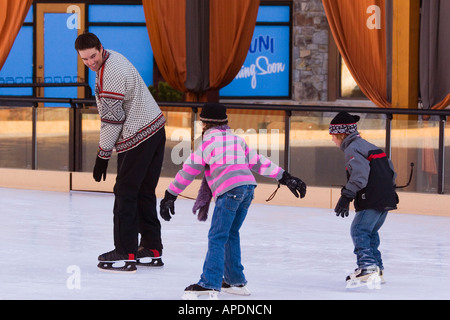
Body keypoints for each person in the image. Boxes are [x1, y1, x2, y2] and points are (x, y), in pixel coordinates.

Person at [159, 103, 307, 299]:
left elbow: (188, 170)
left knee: (217, 236)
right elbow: (258, 161)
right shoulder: (236, 140)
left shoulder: (206, 144)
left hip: (230, 191)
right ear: (225, 123)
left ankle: (210, 283)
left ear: (204, 123)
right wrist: (285, 177)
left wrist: (170, 194)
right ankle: (235, 281)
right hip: (247, 189)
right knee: (230, 234)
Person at [75, 32, 166, 273]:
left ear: (100, 48)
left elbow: (112, 121)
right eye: (84, 60)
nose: (90, 63)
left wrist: (102, 156)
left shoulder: (110, 74)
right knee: (143, 191)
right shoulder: (113, 57)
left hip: (139, 136)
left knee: (125, 191)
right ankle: (152, 248)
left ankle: (125, 252)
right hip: (155, 130)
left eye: (92, 56)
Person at [329, 112, 398, 287]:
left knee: (359, 230)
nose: (332, 140)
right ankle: (377, 269)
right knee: (370, 232)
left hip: (372, 198)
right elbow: (391, 171)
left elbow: (359, 176)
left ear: (341, 134)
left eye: (333, 136)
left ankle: (367, 267)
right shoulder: (368, 145)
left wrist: (347, 195)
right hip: (385, 197)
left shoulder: (353, 149)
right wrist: (386, 191)